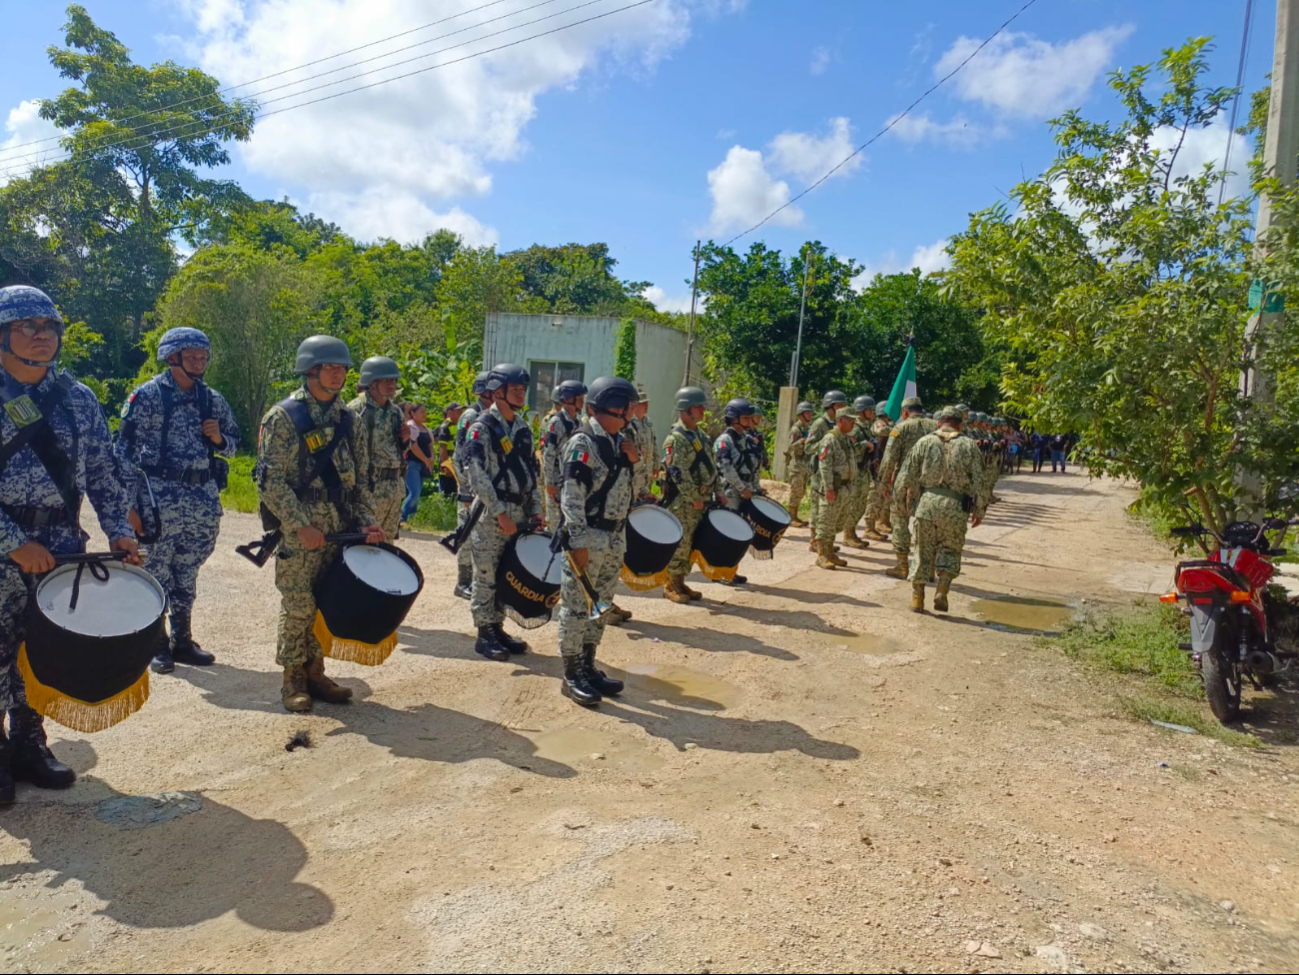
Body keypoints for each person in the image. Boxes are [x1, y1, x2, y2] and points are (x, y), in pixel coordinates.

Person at [0, 285, 140, 802]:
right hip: (3, 548)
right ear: (2, 336)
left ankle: (30, 744)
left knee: (43, 647)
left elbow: (103, 472)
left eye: (49, 327)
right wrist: (13, 542)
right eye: (26, 327)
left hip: (61, 544)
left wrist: (118, 530)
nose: (41, 336)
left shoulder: (76, 399)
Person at [255, 335, 385, 713]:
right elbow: (269, 481)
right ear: (309, 370)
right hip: (302, 531)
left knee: (326, 604)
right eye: (329, 367)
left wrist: (369, 521)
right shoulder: (283, 417)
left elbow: (360, 479)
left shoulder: (349, 418)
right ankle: (293, 678)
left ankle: (316, 671)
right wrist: (298, 525)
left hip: (340, 529)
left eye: (342, 368)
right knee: (298, 605)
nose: (338, 374)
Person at [115, 326, 240, 674]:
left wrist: (218, 439)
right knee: (154, 571)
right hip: (157, 497)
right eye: (192, 357)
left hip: (201, 498)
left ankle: (182, 640)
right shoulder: (146, 397)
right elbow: (122, 453)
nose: (200, 363)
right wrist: (129, 508)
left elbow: (234, 443)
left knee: (187, 571)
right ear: (172, 357)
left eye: (204, 357)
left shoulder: (212, 399)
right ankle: (155, 642)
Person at [555, 377, 641, 707]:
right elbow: (572, 496)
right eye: (623, 406)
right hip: (587, 535)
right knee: (577, 607)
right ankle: (572, 671)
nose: (628, 413)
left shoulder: (623, 440)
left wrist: (636, 460)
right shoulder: (584, 443)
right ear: (599, 407)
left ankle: (589, 664)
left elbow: (638, 485)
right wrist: (577, 540)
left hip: (614, 534)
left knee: (600, 605)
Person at [462, 363, 545, 663]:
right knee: (485, 575)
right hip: (490, 515)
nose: (522, 393)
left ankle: (498, 628)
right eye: (515, 389)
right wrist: (500, 513)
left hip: (519, 512)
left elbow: (532, 474)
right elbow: (476, 474)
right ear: (498, 393)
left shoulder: (522, 429)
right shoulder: (481, 428)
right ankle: (485, 634)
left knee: (506, 573)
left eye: (523, 389)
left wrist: (536, 512)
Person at [895, 406, 988, 613]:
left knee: (921, 550)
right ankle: (942, 590)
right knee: (951, 550)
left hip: (927, 504)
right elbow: (982, 481)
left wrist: (900, 502)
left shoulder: (924, 442)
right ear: (960, 424)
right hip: (955, 507)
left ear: (939, 423)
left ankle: (917, 597)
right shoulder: (970, 445)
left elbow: (905, 475)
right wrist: (980, 510)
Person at [661, 386, 717, 604]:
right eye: (697, 407)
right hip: (682, 502)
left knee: (693, 543)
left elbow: (712, 467)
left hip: (701, 500)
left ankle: (680, 580)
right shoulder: (675, 439)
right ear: (685, 409)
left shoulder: (701, 436)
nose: (702, 410)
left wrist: (716, 491)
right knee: (681, 543)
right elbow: (677, 472)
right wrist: (693, 496)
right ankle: (670, 584)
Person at [877, 395, 938, 580]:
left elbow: (889, 459)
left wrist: (883, 482)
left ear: (904, 412)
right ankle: (928, 567)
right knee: (929, 525)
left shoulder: (900, 428)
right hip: (931, 483)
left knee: (899, 522)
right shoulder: (936, 427)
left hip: (905, 483)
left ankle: (903, 565)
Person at [348, 356, 408, 540]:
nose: (391, 385)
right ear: (371, 383)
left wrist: (405, 440)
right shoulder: (356, 409)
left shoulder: (394, 411)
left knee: (387, 545)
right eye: (386, 380)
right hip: (370, 489)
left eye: (393, 380)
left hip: (394, 489)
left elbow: (399, 450)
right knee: (365, 543)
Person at [451, 371, 492, 600]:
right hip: (471, 488)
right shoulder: (471, 415)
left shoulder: (493, 416)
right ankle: (463, 582)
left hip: (486, 487)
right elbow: (460, 456)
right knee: (465, 534)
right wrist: (466, 490)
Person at [714, 397, 761, 586]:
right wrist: (742, 488)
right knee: (727, 533)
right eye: (746, 418)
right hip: (730, 493)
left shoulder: (746, 439)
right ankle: (719, 571)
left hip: (745, 493)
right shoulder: (724, 441)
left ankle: (731, 569)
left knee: (739, 534)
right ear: (734, 419)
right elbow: (725, 467)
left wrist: (755, 487)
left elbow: (753, 464)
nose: (750, 421)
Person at [814, 409, 858, 569]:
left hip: (845, 488)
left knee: (837, 522)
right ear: (841, 420)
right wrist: (828, 488)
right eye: (850, 421)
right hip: (834, 488)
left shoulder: (846, 439)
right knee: (826, 522)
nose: (853, 424)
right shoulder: (830, 439)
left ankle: (830, 552)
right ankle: (821, 555)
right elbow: (824, 464)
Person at [806, 391, 847, 556]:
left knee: (829, 510)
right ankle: (814, 541)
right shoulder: (819, 424)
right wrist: (825, 445)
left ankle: (825, 541)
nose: (842, 408)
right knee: (817, 507)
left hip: (832, 470)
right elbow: (808, 447)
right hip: (819, 471)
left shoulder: (838, 423)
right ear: (830, 406)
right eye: (839, 405)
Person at [542, 381, 587, 527]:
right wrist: (549, 484)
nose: (583, 402)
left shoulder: (579, 423)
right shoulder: (556, 423)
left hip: (573, 482)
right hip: (557, 481)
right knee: (556, 527)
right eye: (579, 398)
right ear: (568, 399)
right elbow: (549, 455)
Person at [840, 395, 877, 551]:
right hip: (856, 471)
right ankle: (848, 535)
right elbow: (850, 448)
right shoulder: (855, 428)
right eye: (869, 410)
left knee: (861, 504)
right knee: (855, 504)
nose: (872, 412)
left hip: (864, 469)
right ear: (861, 411)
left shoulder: (866, 426)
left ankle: (852, 532)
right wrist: (864, 444)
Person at [862, 406, 894, 541]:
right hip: (876, 464)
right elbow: (880, 430)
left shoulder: (889, 424)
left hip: (883, 463)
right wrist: (896, 430)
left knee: (882, 496)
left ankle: (880, 522)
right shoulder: (879, 423)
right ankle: (869, 528)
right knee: (874, 496)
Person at [402, 403, 435, 526]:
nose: (424, 414)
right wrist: (426, 459)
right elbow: (413, 446)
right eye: (421, 412)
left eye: (425, 412)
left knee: (418, 492)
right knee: (414, 491)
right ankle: (402, 516)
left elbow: (430, 445)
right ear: (413, 414)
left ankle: (412, 517)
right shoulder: (411, 427)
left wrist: (431, 458)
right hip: (412, 464)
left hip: (423, 465)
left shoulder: (426, 428)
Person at [784, 401, 816, 527]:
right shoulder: (795, 430)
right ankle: (791, 517)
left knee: (801, 491)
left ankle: (795, 516)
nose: (810, 415)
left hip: (805, 465)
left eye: (810, 412)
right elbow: (789, 448)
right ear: (801, 414)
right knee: (796, 491)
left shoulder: (807, 428)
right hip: (796, 465)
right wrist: (801, 442)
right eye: (807, 412)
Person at [431, 402, 461, 496]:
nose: (461, 413)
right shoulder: (445, 426)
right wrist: (447, 466)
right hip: (449, 465)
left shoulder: (461, 424)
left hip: (459, 465)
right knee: (448, 495)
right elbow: (442, 448)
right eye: (458, 411)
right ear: (450, 413)